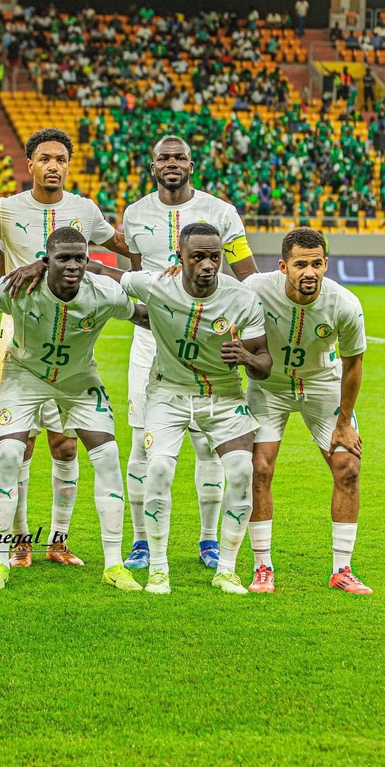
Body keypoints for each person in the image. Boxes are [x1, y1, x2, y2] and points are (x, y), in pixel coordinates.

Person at [0, 227, 147, 592]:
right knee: (9, 453)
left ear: (88, 260)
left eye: (79, 258)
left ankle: (114, 564)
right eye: (63, 258)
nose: (72, 265)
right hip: (25, 374)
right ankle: (0, 561)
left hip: (79, 378)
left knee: (108, 453)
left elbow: (144, 317)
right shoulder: (17, 288)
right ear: (45, 260)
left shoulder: (104, 293)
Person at [108, 224, 271, 594]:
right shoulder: (156, 285)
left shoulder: (242, 298)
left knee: (242, 470)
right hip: (169, 393)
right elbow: (107, 272)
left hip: (225, 396)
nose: (208, 264)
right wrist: (43, 267)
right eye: (198, 256)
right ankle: (159, 569)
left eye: (215, 257)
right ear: (179, 259)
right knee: (159, 469)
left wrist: (246, 356)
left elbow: (264, 362)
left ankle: (226, 569)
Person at [0, 127, 131, 567]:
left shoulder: (85, 210)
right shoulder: (6, 208)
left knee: (65, 445)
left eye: (61, 159)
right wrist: (22, 274)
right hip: (21, 332)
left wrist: (154, 275)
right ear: (29, 164)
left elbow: (120, 247)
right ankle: (18, 539)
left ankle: (58, 540)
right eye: (45, 158)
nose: (54, 166)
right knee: (22, 444)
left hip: (71, 337)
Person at [120, 135, 258, 571]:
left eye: (179, 157)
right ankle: (141, 541)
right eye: (164, 157)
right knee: (144, 443)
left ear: (192, 164)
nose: (171, 163)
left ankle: (209, 539)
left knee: (208, 444)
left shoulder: (221, 212)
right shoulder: (135, 213)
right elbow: (133, 281)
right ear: (153, 164)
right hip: (153, 341)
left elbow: (246, 275)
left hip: (211, 341)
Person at [242, 229, 370, 594]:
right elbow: (215, 293)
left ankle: (342, 569)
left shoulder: (344, 304)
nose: (309, 272)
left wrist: (344, 422)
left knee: (348, 468)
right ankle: (262, 566)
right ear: (284, 266)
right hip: (270, 386)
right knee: (260, 468)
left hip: (322, 384)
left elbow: (354, 365)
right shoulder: (256, 288)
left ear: (326, 264)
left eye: (317, 263)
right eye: (300, 264)